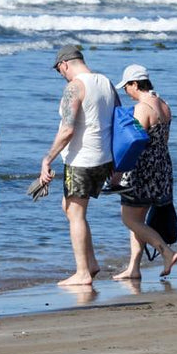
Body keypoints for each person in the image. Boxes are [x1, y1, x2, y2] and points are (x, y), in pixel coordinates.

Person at [40, 45, 119, 286]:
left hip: (82, 160)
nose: (60, 74)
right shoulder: (106, 82)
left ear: (64, 64)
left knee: (76, 214)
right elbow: (118, 119)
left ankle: (83, 272)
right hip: (104, 157)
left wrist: (47, 159)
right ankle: (92, 262)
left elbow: (67, 129)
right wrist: (116, 162)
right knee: (69, 207)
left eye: (58, 70)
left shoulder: (74, 87)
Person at [111, 64, 177, 281]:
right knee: (138, 220)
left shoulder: (142, 108)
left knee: (129, 219)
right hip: (161, 167)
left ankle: (166, 252)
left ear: (134, 84)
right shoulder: (164, 104)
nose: (125, 91)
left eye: (126, 87)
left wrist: (118, 173)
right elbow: (164, 140)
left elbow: (134, 144)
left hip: (141, 170)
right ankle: (134, 268)